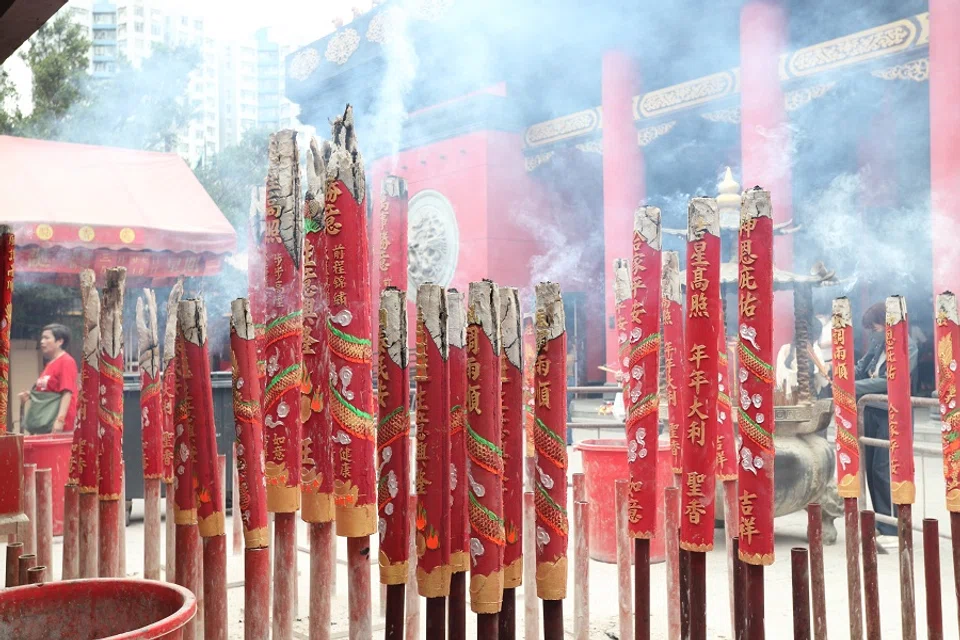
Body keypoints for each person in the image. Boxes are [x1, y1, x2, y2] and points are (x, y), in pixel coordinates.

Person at [854, 302, 917, 537]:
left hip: (892, 413)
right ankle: (882, 521)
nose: (873, 332)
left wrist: (854, 386)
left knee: (883, 468)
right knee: (870, 467)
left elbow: (890, 380)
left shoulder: (906, 346)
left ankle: (894, 525)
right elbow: (863, 371)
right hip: (871, 410)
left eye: (875, 327)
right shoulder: (877, 346)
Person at [18, 324, 78, 435]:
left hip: (59, 424)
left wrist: (60, 420)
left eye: (46, 338)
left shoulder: (66, 361)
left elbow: (67, 393)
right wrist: (30, 394)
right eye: (42, 338)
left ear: (60, 341)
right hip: (45, 422)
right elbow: (48, 390)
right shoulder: (50, 364)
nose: (42, 341)